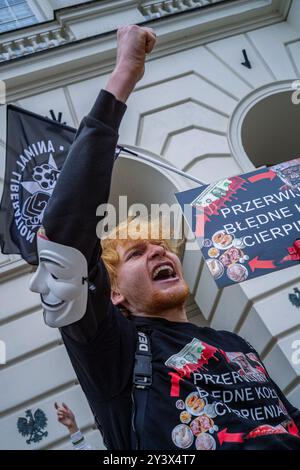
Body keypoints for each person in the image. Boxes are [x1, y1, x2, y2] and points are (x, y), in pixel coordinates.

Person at [29, 25, 300, 450]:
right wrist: (124, 75)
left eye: (161, 247)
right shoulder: (111, 349)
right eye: (136, 253)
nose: (158, 249)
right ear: (114, 292)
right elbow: (65, 237)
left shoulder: (235, 344)